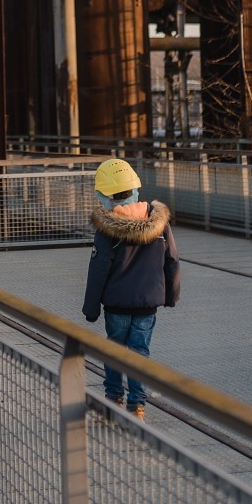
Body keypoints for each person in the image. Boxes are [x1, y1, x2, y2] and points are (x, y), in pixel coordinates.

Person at [81, 158, 180, 422]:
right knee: (140, 352)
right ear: (136, 189)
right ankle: (137, 406)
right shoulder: (160, 224)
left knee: (115, 349)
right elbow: (172, 261)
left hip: (117, 306)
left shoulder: (106, 231)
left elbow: (98, 271)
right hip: (148, 304)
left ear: (105, 196)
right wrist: (171, 296)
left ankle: (113, 399)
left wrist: (91, 308)